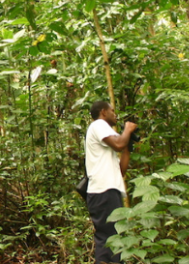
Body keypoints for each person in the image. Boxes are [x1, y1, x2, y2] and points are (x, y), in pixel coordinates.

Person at [84, 101, 137, 264]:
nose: (115, 114)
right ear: (103, 112)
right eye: (112, 111)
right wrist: (127, 129)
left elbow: (120, 171)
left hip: (108, 191)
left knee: (115, 238)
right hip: (103, 191)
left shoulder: (105, 144)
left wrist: (128, 146)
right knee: (109, 238)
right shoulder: (98, 124)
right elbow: (119, 143)